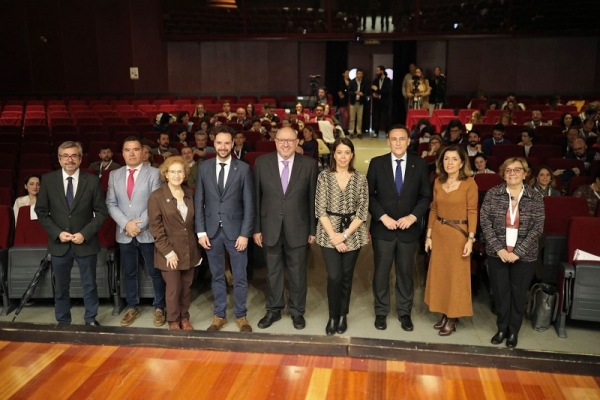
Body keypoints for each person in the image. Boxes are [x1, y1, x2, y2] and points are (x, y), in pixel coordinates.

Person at [367, 125, 432, 331]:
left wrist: (413, 217)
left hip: (408, 231)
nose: (397, 143)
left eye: (401, 139)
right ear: (388, 141)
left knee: (405, 273)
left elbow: (426, 197)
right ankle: (381, 311)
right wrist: (382, 216)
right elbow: (369, 195)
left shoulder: (419, 164)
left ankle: (405, 312)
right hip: (383, 229)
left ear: (408, 141)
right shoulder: (377, 164)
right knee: (381, 272)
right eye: (393, 139)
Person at [35, 141, 108, 326]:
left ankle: (90, 319)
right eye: (65, 156)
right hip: (59, 244)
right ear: (59, 159)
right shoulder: (48, 180)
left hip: (85, 242)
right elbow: (41, 212)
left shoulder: (91, 180)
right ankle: (63, 321)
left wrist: (85, 233)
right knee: (61, 287)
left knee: (90, 286)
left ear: (80, 158)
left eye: (74, 155)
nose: (70, 159)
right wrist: (57, 233)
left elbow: (101, 212)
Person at [253, 127, 319, 330]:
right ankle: (274, 309)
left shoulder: (309, 165)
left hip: (298, 227)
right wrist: (256, 228)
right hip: (269, 227)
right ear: (275, 141)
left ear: (297, 142)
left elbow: (312, 200)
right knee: (273, 272)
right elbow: (256, 198)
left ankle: (297, 311)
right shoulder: (262, 163)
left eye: (290, 141)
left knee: (298, 272)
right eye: (282, 140)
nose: (286, 144)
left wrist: (313, 229)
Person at [480, 157, 545, 348]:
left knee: (518, 294)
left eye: (517, 170)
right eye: (508, 170)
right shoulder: (493, 193)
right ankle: (501, 329)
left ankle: (513, 332)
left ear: (525, 173)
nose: (512, 173)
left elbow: (537, 228)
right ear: (503, 173)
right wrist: (499, 249)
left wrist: (519, 252)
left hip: (524, 256)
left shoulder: (535, 197)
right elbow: (485, 222)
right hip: (497, 253)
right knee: (500, 294)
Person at [196, 127, 255, 332]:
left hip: (236, 233)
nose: (223, 147)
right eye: (219, 143)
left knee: (239, 276)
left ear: (233, 144)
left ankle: (241, 316)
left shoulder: (244, 168)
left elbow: (249, 204)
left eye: (227, 143)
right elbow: (199, 201)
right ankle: (219, 316)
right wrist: (201, 232)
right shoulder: (204, 167)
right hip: (211, 233)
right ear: (214, 143)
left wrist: (245, 233)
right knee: (217, 276)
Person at [106, 137, 166, 327]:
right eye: (127, 150)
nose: (131, 153)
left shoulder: (154, 174)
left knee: (155, 271)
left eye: (135, 149)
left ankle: (159, 307)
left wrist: (138, 225)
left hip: (147, 231)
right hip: (125, 233)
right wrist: (126, 224)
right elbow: (111, 203)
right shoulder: (114, 175)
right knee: (129, 272)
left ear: (143, 152)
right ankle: (133, 306)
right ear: (122, 153)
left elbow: (155, 203)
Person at [316, 139, 369, 336]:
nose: (343, 156)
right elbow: (320, 210)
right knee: (334, 276)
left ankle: (343, 315)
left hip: (353, 235)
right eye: (339, 152)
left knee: (346, 277)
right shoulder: (324, 177)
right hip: (328, 232)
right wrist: (334, 237)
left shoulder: (360, 179)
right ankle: (332, 315)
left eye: (347, 152)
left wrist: (344, 235)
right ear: (334, 155)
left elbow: (362, 213)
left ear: (352, 155)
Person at [424, 145, 477, 336]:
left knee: (456, 277)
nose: (449, 163)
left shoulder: (470, 183)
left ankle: (453, 317)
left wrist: (471, 239)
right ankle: (445, 314)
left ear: (462, 162)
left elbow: (472, 211)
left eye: (454, 159)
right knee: (441, 275)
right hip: (439, 232)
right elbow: (434, 209)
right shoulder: (438, 182)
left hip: (458, 235)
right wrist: (428, 235)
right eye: (446, 159)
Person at [148, 156, 201, 330]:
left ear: (185, 174)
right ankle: (173, 320)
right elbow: (156, 228)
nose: (177, 175)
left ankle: (184, 318)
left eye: (180, 171)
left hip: (189, 250)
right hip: (168, 252)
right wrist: (168, 252)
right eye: (173, 171)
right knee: (173, 289)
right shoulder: (157, 196)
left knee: (186, 288)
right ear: (166, 174)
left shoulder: (190, 193)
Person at [370, 65, 392, 138]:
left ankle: (387, 132)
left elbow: (386, 90)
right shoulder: (376, 80)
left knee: (386, 118)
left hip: (385, 102)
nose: (377, 72)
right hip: (377, 102)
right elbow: (372, 89)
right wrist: (373, 93)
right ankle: (376, 132)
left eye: (378, 71)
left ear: (382, 71)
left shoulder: (388, 80)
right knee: (376, 117)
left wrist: (377, 90)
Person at [348, 68, 367, 138]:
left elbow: (367, 92)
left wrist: (363, 94)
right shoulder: (352, 82)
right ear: (356, 74)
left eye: (361, 74)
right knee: (352, 118)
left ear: (363, 75)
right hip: (353, 102)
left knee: (360, 118)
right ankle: (351, 132)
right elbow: (348, 91)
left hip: (360, 102)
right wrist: (354, 93)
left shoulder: (364, 82)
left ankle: (359, 132)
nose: (360, 75)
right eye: (358, 73)